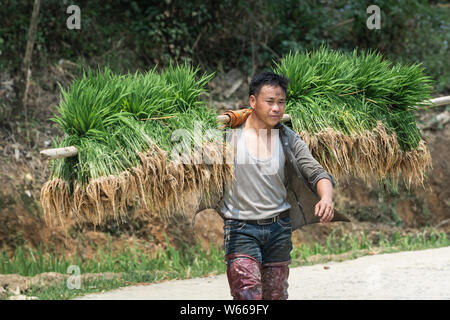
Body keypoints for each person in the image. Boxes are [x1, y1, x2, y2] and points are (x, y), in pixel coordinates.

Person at [219, 71, 336, 300]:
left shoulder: (287, 138)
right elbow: (182, 155)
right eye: (269, 102)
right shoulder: (228, 138)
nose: (276, 109)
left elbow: (317, 173)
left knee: (276, 295)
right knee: (247, 296)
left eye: (281, 102)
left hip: (278, 230)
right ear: (252, 101)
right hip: (240, 229)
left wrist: (326, 197)